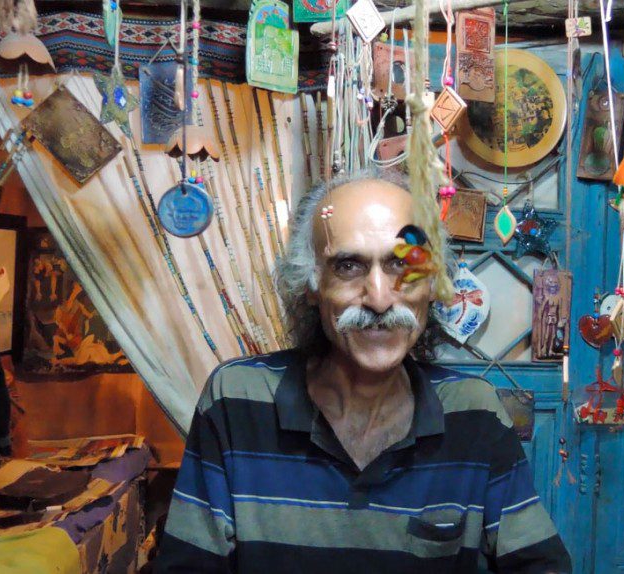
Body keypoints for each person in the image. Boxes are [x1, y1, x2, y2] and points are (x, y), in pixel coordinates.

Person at [153, 170, 570, 573]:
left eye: (404, 265)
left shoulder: (473, 413)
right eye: (348, 266)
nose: (379, 298)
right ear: (311, 286)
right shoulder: (237, 401)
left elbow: (540, 564)